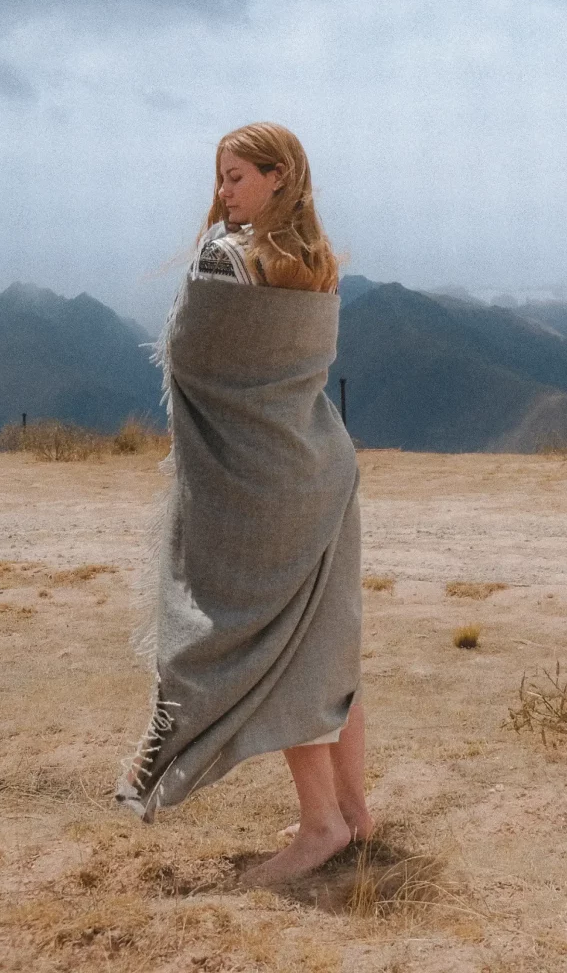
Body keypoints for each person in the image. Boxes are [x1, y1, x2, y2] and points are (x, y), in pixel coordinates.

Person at [117, 121, 373, 887]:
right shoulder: (321, 264)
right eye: (220, 178)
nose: (221, 193)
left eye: (234, 177)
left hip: (259, 484)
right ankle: (356, 813)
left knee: (269, 649)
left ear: (276, 176)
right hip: (321, 468)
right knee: (325, 646)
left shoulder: (222, 258)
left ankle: (321, 827)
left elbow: (195, 361)